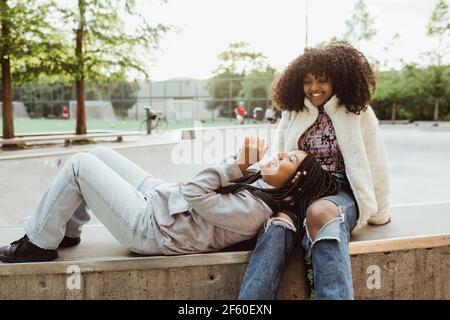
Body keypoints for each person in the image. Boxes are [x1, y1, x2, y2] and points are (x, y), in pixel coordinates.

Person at [0, 137, 340, 263]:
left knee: (79, 166)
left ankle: (40, 243)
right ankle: (68, 231)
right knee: (100, 153)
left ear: (295, 183)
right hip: (162, 201)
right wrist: (241, 164)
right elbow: (201, 188)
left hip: (152, 230)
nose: (279, 154)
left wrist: (235, 164)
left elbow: (196, 191)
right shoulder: (261, 184)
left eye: (288, 160)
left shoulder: (253, 212)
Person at [239, 41, 391, 300]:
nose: (314, 88)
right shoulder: (293, 112)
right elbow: (278, 158)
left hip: (338, 192)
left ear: (338, 80)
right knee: (277, 225)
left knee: (321, 212)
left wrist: (380, 211)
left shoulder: (357, 111)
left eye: (322, 80)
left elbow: (376, 160)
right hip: (296, 192)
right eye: (308, 81)